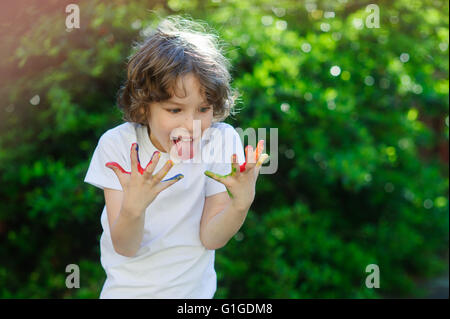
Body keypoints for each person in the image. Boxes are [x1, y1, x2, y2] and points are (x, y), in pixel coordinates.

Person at [84, 15, 269, 299]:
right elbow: (125, 246)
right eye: (175, 110)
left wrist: (240, 204)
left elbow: (211, 237)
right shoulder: (119, 145)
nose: (191, 124)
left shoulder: (221, 140)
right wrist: (134, 207)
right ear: (144, 106)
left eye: (203, 109)